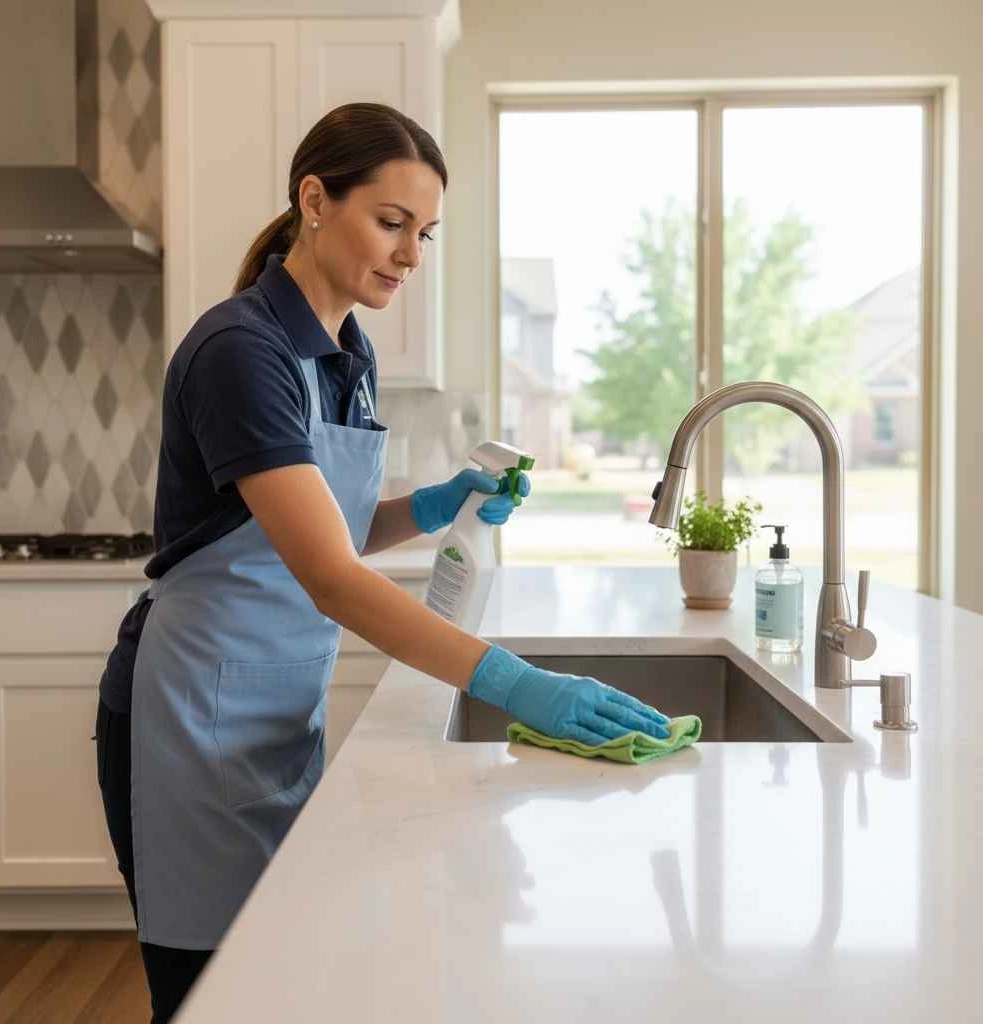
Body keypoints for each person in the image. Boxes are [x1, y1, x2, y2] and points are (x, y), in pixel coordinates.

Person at [94, 101, 671, 1023]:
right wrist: (516, 685)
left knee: (283, 982)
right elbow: (325, 576)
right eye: (391, 223)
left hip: (275, 705)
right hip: (192, 715)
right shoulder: (242, 350)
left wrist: (431, 506)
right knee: (209, 998)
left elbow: (319, 533)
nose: (409, 255)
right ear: (314, 200)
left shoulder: (346, 351)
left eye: (425, 232)